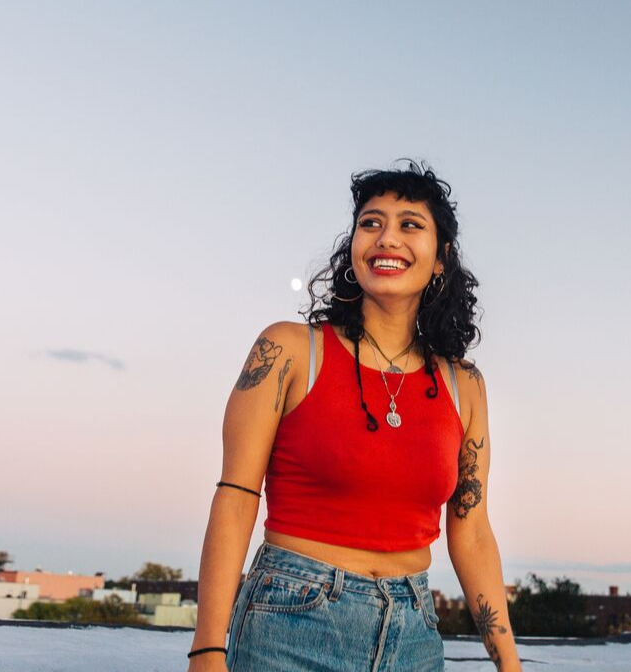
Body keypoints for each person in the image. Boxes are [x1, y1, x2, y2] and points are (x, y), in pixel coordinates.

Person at [187, 159, 519, 672]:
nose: (387, 237)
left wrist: (509, 665)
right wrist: (208, 647)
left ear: (440, 259)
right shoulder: (288, 351)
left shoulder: (465, 385)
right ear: (354, 247)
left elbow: (472, 532)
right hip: (290, 623)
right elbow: (235, 497)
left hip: (414, 634)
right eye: (371, 222)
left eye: (410, 224)